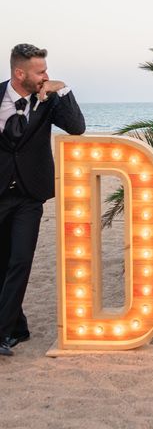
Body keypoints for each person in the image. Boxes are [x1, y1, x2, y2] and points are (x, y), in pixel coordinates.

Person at [0, 44, 85, 356]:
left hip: (29, 195)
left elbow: (77, 128)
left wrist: (64, 90)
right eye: (40, 71)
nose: (45, 76)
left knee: (20, 260)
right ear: (19, 73)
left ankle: (2, 332)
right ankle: (17, 328)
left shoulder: (48, 102)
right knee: (2, 263)